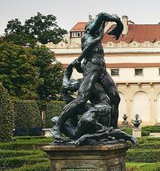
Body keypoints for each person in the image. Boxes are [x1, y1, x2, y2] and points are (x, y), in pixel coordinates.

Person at [52, 12, 123, 141]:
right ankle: (57, 126)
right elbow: (101, 15)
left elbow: (102, 21)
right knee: (81, 99)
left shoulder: (96, 36)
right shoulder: (88, 35)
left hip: (102, 69)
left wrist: (116, 25)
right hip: (91, 68)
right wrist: (117, 21)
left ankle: (112, 129)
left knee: (115, 98)